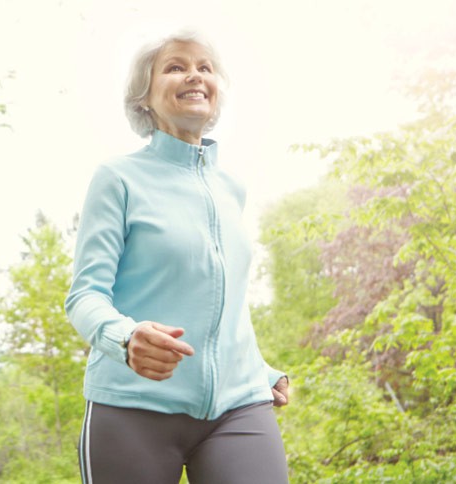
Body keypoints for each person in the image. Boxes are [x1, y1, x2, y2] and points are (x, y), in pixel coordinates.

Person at [65, 31, 290, 483]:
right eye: (175, 66)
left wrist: (258, 369)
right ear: (144, 97)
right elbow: (85, 296)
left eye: (205, 67)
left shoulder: (232, 188)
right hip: (132, 405)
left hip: (238, 405)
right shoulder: (118, 178)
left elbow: (220, 296)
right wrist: (126, 338)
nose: (195, 75)